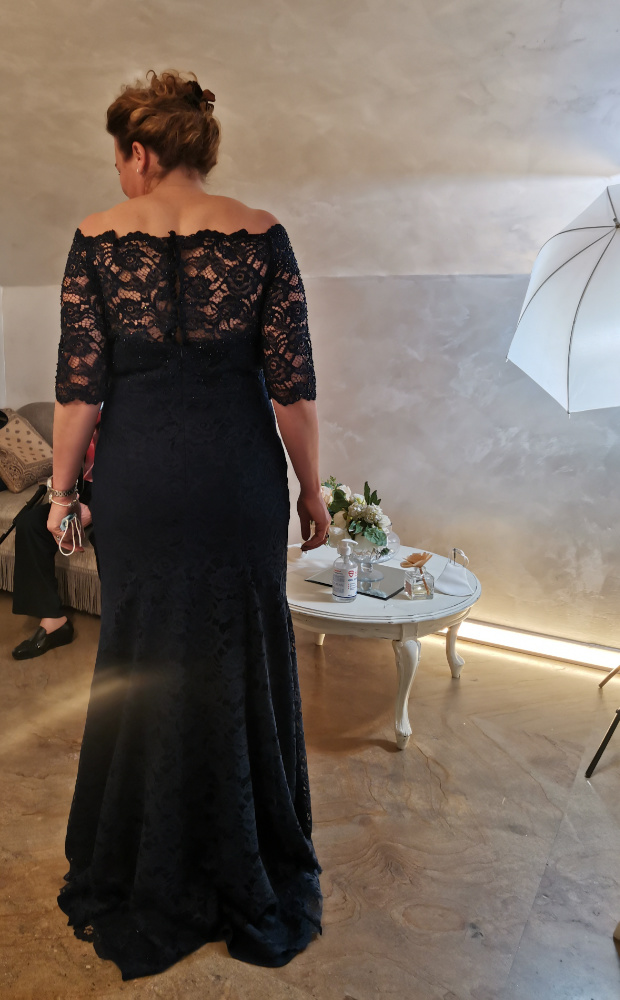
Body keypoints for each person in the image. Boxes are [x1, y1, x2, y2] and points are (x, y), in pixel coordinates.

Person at [49, 69, 330, 981]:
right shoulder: (263, 235)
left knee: (140, 653)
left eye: (117, 155)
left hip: (140, 483)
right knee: (241, 650)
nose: (118, 171)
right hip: (237, 479)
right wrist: (312, 490)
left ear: (139, 152)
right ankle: (245, 850)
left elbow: (79, 392)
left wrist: (61, 493)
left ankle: (145, 856)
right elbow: (293, 390)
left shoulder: (96, 240)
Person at [12, 412, 100, 659]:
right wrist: (64, 497)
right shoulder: (82, 412)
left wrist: (95, 511)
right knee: (30, 525)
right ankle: (53, 621)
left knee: (110, 539)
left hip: (118, 498)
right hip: (82, 492)